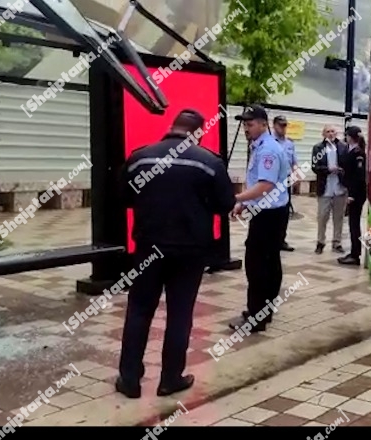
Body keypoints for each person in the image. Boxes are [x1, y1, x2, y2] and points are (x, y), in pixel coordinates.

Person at [117, 109, 236, 398]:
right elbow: (225, 204)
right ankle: (170, 378)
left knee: (139, 310)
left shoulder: (140, 157)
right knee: (180, 313)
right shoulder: (209, 162)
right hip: (190, 251)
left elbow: (123, 198)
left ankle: (130, 379)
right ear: (198, 133)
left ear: (172, 127)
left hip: (148, 246)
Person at [228, 105, 290, 333]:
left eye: (250, 123)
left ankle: (256, 316)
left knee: (258, 266)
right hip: (270, 212)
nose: (246, 128)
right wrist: (243, 203)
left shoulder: (267, 150)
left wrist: (235, 197)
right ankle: (263, 311)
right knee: (269, 263)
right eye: (244, 124)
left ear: (264, 124)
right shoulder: (261, 146)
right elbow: (258, 183)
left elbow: (265, 186)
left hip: (268, 216)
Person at [311, 125, 348, 255]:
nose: (331, 134)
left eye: (333, 131)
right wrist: (328, 170)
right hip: (325, 187)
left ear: (336, 133)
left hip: (339, 187)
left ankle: (337, 242)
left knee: (338, 217)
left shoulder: (343, 147)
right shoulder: (318, 148)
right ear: (323, 134)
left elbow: (348, 165)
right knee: (322, 216)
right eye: (328, 131)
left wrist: (342, 170)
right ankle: (320, 242)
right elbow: (315, 167)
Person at [338, 125, 367, 266]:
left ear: (350, 136)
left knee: (354, 224)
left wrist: (352, 195)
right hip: (350, 191)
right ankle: (354, 252)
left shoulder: (358, 153)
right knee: (352, 223)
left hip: (356, 194)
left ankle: (356, 254)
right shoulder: (350, 149)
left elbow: (359, 177)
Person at [273, 115, 297, 252]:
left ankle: (281, 240)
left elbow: (294, 162)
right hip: (271, 182)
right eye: (280, 125)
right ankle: (271, 239)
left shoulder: (290, 143)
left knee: (284, 211)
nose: (283, 128)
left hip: (285, 181)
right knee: (271, 210)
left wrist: (295, 175)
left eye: (285, 125)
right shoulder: (270, 142)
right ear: (274, 125)